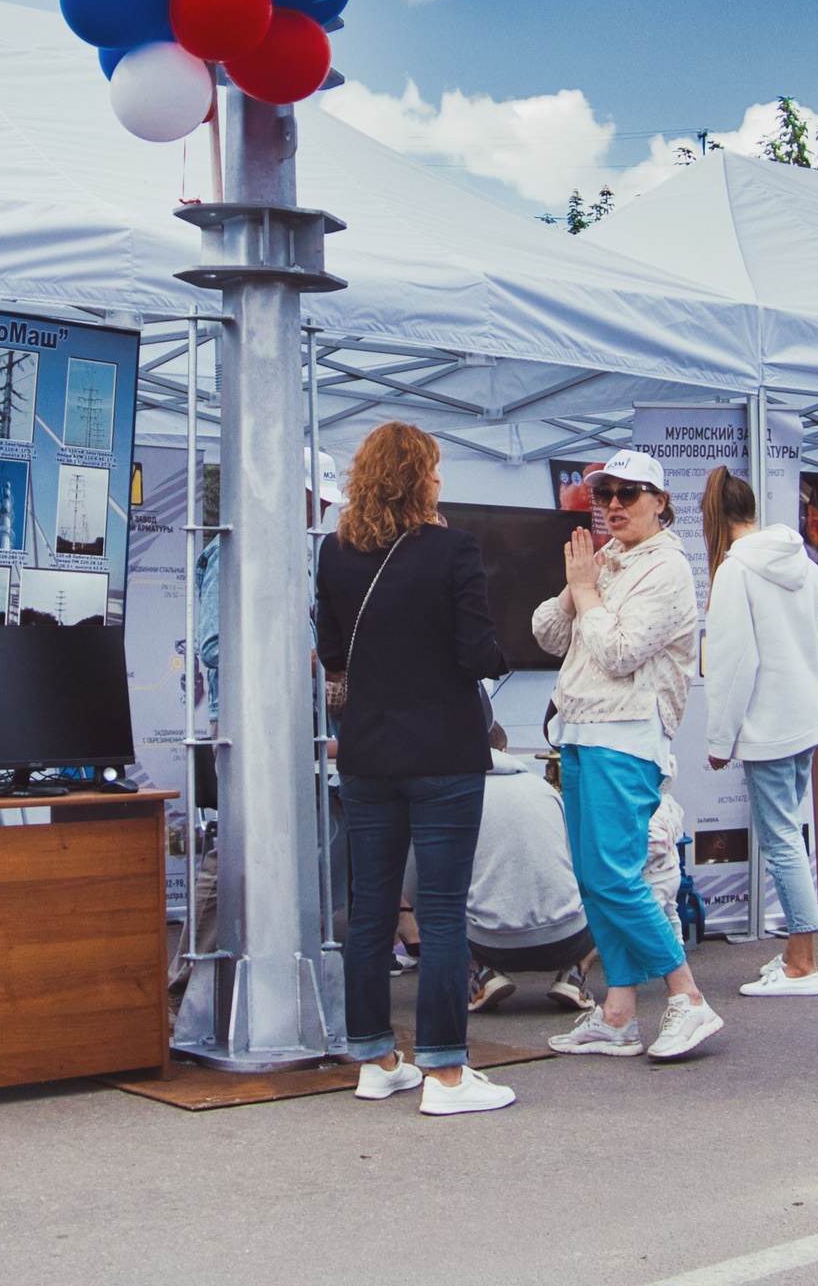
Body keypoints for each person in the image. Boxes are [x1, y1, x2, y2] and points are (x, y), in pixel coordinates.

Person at [314, 421, 513, 1116]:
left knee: (369, 909)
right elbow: (475, 653)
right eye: (433, 468)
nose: (439, 478)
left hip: (368, 752)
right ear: (419, 477)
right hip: (444, 753)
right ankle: (446, 1075)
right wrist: (494, 659)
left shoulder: (334, 555)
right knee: (442, 909)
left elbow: (332, 654)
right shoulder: (454, 550)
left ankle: (375, 1058)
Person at [531, 449, 722, 1062]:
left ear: (660, 503)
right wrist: (577, 591)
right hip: (584, 732)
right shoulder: (609, 559)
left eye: (629, 493)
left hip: (627, 735)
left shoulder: (666, 569)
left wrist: (585, 592)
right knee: (595, 881)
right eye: (605, 493)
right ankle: (618, 1013)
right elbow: (544, 633)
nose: (613, 504)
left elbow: (617, 652)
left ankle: (687, 997)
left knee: (615, 877)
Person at [699, 466, 818, 997]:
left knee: (781, 842)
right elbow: (813, 647)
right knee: (789, 837)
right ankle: (799, 956)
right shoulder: (803, 561)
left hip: (768, 723)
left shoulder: (735, 571)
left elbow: (733, 663)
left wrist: (717, 739)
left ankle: (802, 962)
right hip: (802, 717)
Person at [459, 724, 598, 1015]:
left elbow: (416, 887)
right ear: (505, 750)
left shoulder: (458, 796)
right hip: (566, 938)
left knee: (434, 895)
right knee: (608, 892)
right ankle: (575, 972)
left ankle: (483, 973)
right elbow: (575, 862)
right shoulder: (544, 789)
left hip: (490, 943)